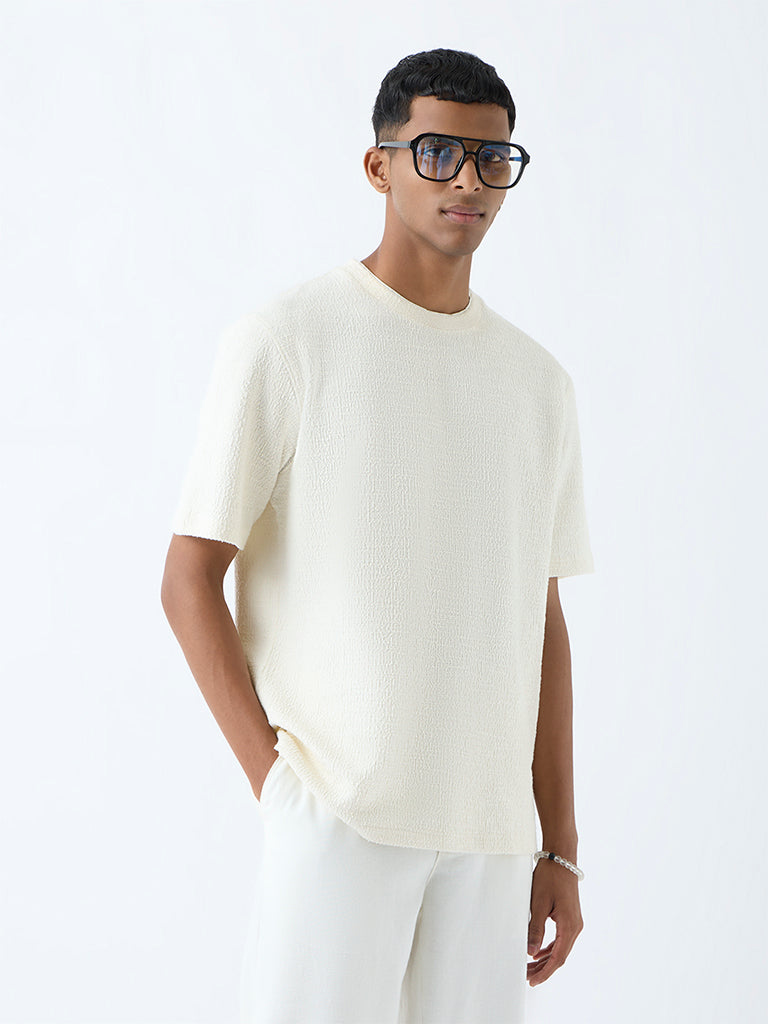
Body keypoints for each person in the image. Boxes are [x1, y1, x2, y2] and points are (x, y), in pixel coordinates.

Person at [161, 46, 595, 1024]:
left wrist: (558, 846)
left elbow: (541, 619)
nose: (468, 181)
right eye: (438, 154)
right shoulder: (289, 340)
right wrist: (280, 789)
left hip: (491, 837)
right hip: (339, 817)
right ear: (380, 166)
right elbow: (189, 576)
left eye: (492, 159)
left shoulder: (538, 385)